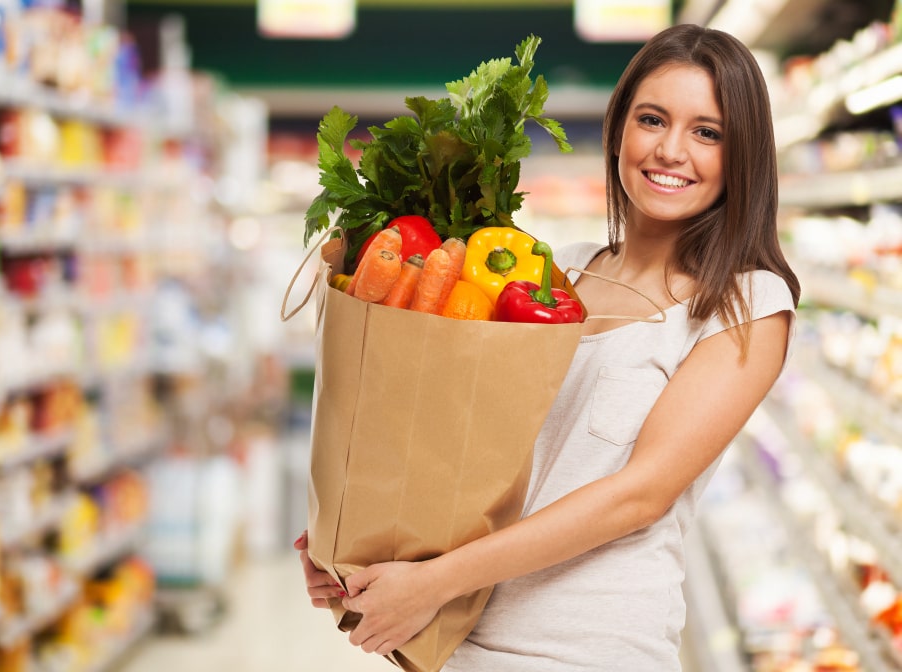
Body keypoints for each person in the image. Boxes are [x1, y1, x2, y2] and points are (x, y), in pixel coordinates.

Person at [295, 22, 800, 671]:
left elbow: (639, 494)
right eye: (652, 119)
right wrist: (352, 536)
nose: (672, 149)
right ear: (620, 128)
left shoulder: (746, 304)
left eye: (708, 132)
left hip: (588, 651)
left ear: (743, 156)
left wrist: (436, 580)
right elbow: (452, 443)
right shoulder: (556, 271)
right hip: (451, 639)